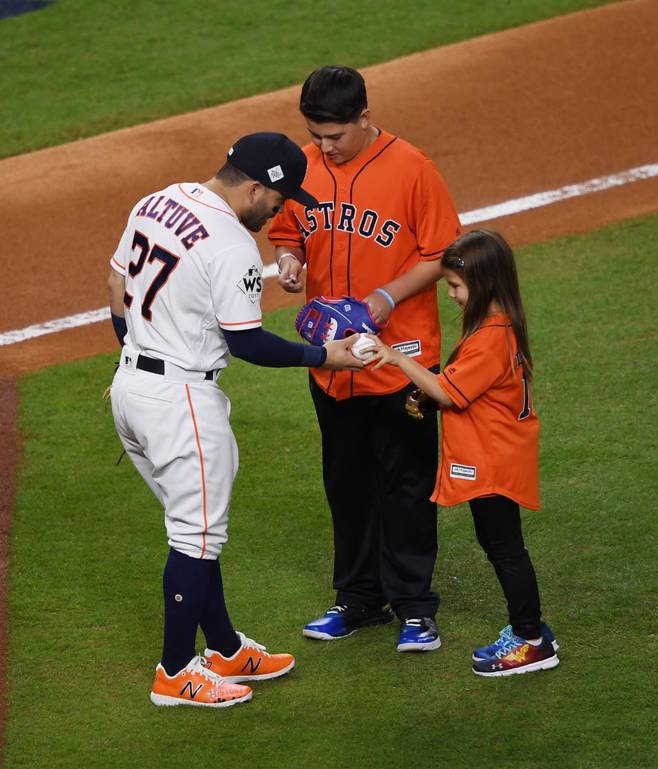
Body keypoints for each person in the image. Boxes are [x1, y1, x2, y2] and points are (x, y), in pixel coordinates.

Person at [106, 132, 364, 708]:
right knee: (196, 538)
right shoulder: (231, 246)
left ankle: (222, 646)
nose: (280, 210)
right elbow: (246, 342)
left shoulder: (157, 200)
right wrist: (327, 355)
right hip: (180, 405)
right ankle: (176, 672)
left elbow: (117, 284)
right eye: (279, 199)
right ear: (254, 187)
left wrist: (132, 352)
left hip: (132, 391)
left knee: (196, 528)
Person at [268, 65, 461, 652]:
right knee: (346, 483)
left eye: (336, 137)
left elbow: (444, 252)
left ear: (364, 118)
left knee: (405, 484)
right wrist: (290, 260)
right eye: (316, 136)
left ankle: (414, 607)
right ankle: (357, 599)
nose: (325, 148)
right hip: (333, 363)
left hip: (400, 359)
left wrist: (386, 295)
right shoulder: (304, 165)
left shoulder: (413, 170)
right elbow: (287, 231)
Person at [362, 229, 560, 676]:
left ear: (484, 283)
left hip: (493, 459)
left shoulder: (491, 336)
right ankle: (530, 631)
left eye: (455, 285)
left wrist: (396, 358)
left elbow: (450, 393)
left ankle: (531, 639)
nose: (451, 294)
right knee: (500, 545)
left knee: (505, 548)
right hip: (498, 452)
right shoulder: (499, 325)